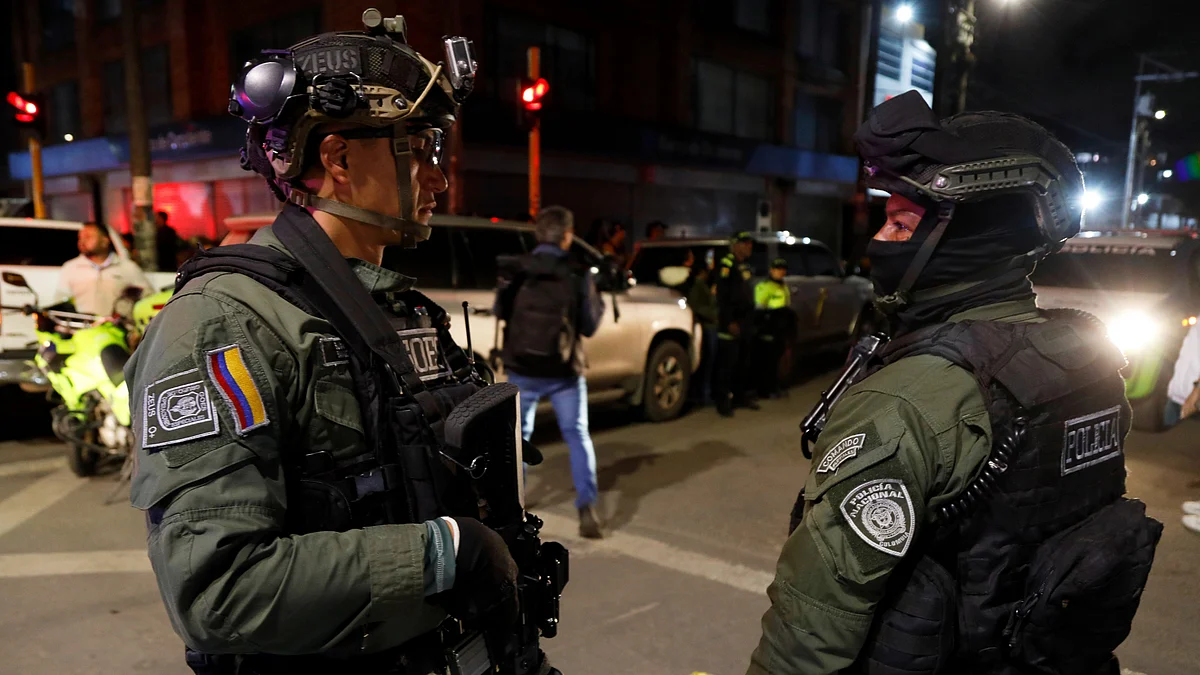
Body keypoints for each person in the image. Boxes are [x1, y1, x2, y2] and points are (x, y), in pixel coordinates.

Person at [125, 12, 554, 674]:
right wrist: (443, 552)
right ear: (340, 159)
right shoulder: (223, 323)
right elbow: (216, 591)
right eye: (425, 148)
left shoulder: (398, 306)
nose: (441, 180)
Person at [748, 91, 1162, 674]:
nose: (880, 242)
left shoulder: (906, 402)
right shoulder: (1088, 360)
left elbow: (809, 637)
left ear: (968, 235)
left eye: (899, 223)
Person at [495, 205, 606, 539]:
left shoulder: (515, 269)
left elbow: (501, 311)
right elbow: (587, 326)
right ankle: (586, 509)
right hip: (563, 372)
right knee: (577, 435)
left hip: (521, 367)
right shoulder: (577, 272)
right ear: (567, 236)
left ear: (538, 234)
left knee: (519, 438)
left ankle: (515, 507)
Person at [55, 222, 152, 315]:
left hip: (119, 329)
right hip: (83, 329)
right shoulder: (71, 268)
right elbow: (61, 302)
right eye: (80, 238)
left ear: (105, 241)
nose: (82, 241)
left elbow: (148, 298)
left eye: (88, 237)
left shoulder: (127, 267)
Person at [714, 232, 759, 417]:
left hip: (746, 320)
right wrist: (729, 321)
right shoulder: (727, 264)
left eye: (750, 244)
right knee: (727, 363)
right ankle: (722, 401)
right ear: (736, 245)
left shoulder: (745, 266)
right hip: (731, 320)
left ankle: (740, 396)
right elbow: (722, 296)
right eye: (745, 244)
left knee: (743, 361)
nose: (749, 247)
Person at [753, 258, 792, 399]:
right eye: (778, 268)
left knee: (776, 361)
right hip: (768, 330)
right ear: (771, 270)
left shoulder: (782, 285)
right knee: (766, 362)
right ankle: (765, 390)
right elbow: (759, 310)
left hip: (779, 330)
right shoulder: (764, 286)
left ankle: (774, 387)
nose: (781, 271)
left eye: (783, 269)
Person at [686, 254, 719, 405]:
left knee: (710, 362)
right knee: (708, 362)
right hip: (707, 327)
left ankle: (706, 393)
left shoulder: (703, 285)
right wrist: (713, 316)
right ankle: (704, 394)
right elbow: (698, 306)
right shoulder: (698, 286)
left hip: (710, 326)